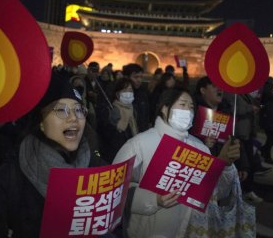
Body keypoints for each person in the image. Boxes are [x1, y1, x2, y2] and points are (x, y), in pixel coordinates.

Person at [0, 74, 106, 238]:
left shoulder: (98, 170)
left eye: (79, 110)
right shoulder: (8, 178)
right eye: (61, 110)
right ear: (41, 122)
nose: (74, 118)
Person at [113, 88, 245, 237]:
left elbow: (215, 193)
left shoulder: (200, 148)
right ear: (164, 108)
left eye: (191, 108)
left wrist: (224, 165)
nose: (188, 111)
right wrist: (153, 200)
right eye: (182, 105)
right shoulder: (139, 144)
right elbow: (116, 191)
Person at [98, 78, 138, 163]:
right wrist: (113, 124)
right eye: (124, 90)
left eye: (130, 90)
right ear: (117, 94)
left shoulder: (133, 110)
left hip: (130, 154)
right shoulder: (110, 110)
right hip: (113, 157)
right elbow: (105, 136)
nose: (128, 93)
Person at [122, 64, 150, 132]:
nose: (139, 80)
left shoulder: (143, 93)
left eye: (141, 77)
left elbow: (146, 116)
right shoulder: (120, 94)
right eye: (136, 77)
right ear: (127, 77)